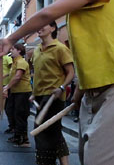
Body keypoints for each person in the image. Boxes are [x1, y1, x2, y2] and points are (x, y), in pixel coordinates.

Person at [0, 0, 114, 165]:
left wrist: (10, 39)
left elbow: (46, 13)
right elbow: (91, 54)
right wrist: (80, 91)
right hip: (90, 95)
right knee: (86, 157)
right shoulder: (77, 13)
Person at [29, 21, 74, 165]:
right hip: (41, 98)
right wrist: (34, 93)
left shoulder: (60, 48)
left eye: (44, 25)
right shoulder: (36, 50)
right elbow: (38, 74)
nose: (39, 28)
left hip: (54, 98)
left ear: (53, 28)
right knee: (54, 133)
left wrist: (61, 88)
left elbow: (71, 73)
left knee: (42, 134)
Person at [3, 43, 32, 148]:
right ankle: (17, 135)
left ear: (19, 50)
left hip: (23, 92)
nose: (11, 50)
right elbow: (12, 77)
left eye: (13, 49)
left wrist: (7, 87)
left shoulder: (21, 62)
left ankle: (24, 139)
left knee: (21, 115)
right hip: (15, 92)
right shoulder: (15, 62)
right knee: (12, 112)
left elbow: (18, 77)